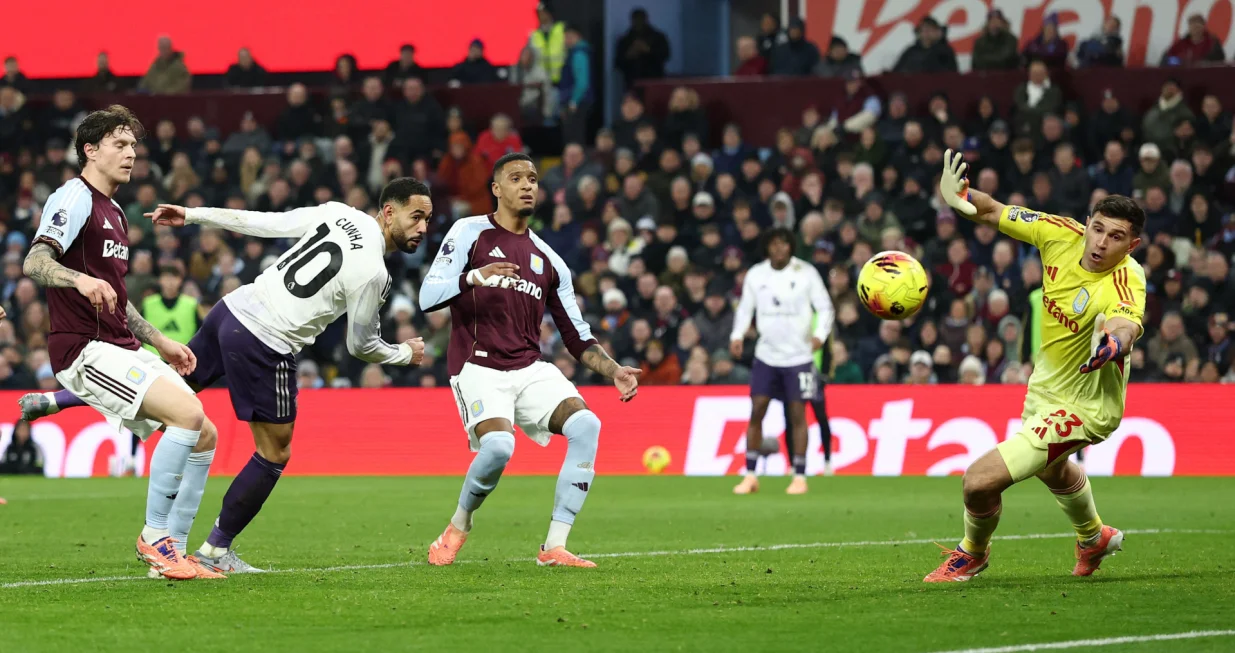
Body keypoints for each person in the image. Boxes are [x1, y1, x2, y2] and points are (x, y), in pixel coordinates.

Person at [23, 178, 431, 574]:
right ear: (389, 211)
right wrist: (402, 353)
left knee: (168, 387)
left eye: (427, 220)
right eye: (416, 217)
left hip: (230, 311)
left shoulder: (339, 214)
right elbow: (361, 345)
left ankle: (59, 399)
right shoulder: (374, 273)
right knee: (275, 453)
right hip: (267, 341)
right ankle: (216, 550)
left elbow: (263, 221)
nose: (422, 228)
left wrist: (193, 215)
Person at [927, 150, 1146, 582]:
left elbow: (1125, 325)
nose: (1101, 243)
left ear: (1131, 245)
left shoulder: (1125, 278)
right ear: (1087, 224)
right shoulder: (1059, 233)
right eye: (1097, 229)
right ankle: (1093, 537)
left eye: (1115, 237)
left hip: (1087, 404)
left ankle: (972, 551)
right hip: (1044, 390)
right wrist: (959, 196)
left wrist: (1112, 345)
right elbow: (992, 211)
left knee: (978, 481)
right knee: (1053, 468)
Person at [419, 153, 641, 568]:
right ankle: (458, 526)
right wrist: (474, 276)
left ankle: (554, 546)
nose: (527, 185)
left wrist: (615, 370)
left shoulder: (550, 260)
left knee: (587, 424)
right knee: (500, 447)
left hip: (529, 367)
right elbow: (427, 298)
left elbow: (576, 335)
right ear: (496, 189)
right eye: (516, 178)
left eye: (533, 179)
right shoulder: (470, 232)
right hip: (478, 366)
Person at [21, 105, 213, 580]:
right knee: (186, 416)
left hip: (121, 344)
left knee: (204, 434)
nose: (131, 154)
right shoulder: (74, 197)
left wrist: (159, 339)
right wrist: (78, 280)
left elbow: (118, 297)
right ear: (90, 149)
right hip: (82, 348)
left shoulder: (118, 212)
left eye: (133, 146)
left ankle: (174, 553)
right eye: (120, 144)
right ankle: (154, 537)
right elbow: (34, 262)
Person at [729, 228, 833, 495]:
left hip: (798, 357)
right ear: (768, 248)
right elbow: (745, 309)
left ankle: (799, 476)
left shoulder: (806, 273)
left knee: (798, 413)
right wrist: (737, 334)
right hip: (766, 355)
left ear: (790, 247)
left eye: (784, 244)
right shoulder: (756, 274)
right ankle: (750, 474)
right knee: (757, 410)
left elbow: (825, 307)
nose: (779, 249)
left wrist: (820, 334)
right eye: (774, 244)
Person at [615, 8, 671, 88]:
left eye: (640, 19)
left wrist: (648, 50)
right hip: (632, 82)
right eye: (636, 20)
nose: (638, 22)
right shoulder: (625, 40)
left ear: (646, 19)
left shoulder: (658, 37)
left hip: (653, 81)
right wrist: (629, 55)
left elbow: (665, 55)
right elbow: (618, 63)